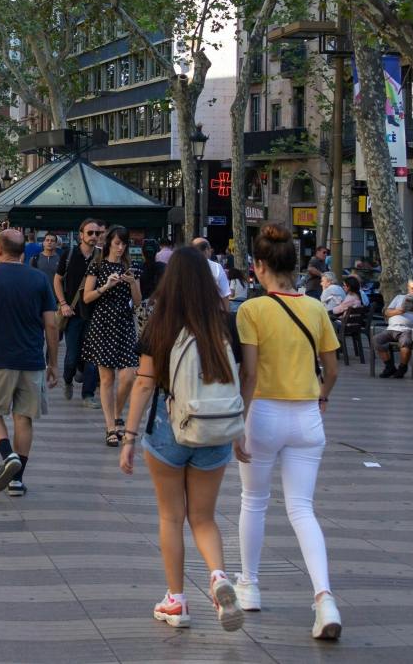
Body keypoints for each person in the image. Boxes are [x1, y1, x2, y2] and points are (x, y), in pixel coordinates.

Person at [118, 245, 246, 633]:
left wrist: (127, 437)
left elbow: (142, 384)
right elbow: (239, 378)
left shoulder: (160, 322)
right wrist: (241, 432)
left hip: (168, 426)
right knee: (204, 518)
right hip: (216, 428)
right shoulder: (225, 323)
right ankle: (219, 576)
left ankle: (176, 600)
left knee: (171, 516)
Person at [235, 224, 342, 641]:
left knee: (253, 501)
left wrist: (239, 424)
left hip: (262, 412)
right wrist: (322, 397)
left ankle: (249, 585)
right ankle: (324, 597)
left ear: (259, 267)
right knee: (302, 509)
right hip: (306, 416)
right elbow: (331, 369)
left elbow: (248, 373)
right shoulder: (315, 309)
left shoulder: (251, 311)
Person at [0, 228, 59, 498]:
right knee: (24, 417)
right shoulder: (40, 279)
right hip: (31, 360)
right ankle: (17, 480)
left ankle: (8, 456)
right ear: (23, 251)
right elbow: (51, 325)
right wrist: (53, 363)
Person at [81, 225, 143, 447]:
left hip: (124, 323)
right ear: (109, 243)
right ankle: (110, 427)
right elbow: (87, 297)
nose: (120, 247)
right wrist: (106, 286)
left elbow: (137, 302)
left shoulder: (131, 266)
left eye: (124, 244)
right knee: (107, 378)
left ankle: (118, 414)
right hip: (103, 323)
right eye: (117, 243)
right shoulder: (97, 265)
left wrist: (132, 282)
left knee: (128, 375)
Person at [55, 220, 103, 406]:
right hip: (73, 313)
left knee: (91, 356)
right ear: (81, 234)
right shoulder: (69, 255)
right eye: (90, 233)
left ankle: (88, 395)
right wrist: (63, 304)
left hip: (94, 314)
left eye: (97, 233)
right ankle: (68, 379)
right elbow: (57, 280)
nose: (93, 237)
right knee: (72, 357)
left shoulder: (102, 257)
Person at [373, 279, 413, 378]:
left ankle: (402, 367)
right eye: (412, 288)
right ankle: (389, 367)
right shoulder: (399, 298)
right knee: (377, 339)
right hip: (391, 328)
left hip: (409, 330)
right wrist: (398, 311)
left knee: (406, 341)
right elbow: (386, 313)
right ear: (407, 287)